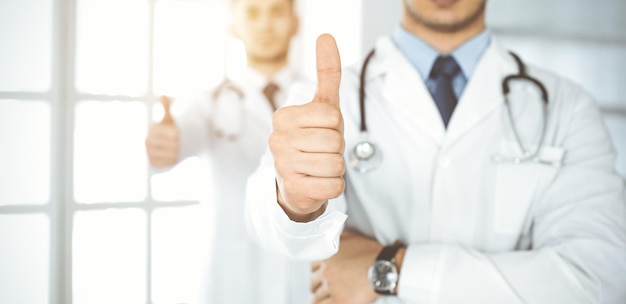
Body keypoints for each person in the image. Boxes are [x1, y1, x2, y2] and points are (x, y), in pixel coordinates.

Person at [245, 0, 626, 303]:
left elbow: (597, 280)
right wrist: (294, 200)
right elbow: (267, 223)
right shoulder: (326, 98)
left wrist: (391, 269)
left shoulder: (567, 107)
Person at [144, 0, 312, 303]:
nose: (265, 24)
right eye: (252, 12)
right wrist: (165, 146)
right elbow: (181, 136)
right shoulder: (209, 102)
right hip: (234, 278)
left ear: (295, 22)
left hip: (305, 277)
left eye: (276, 11)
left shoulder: (318, 99)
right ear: (232, 24)